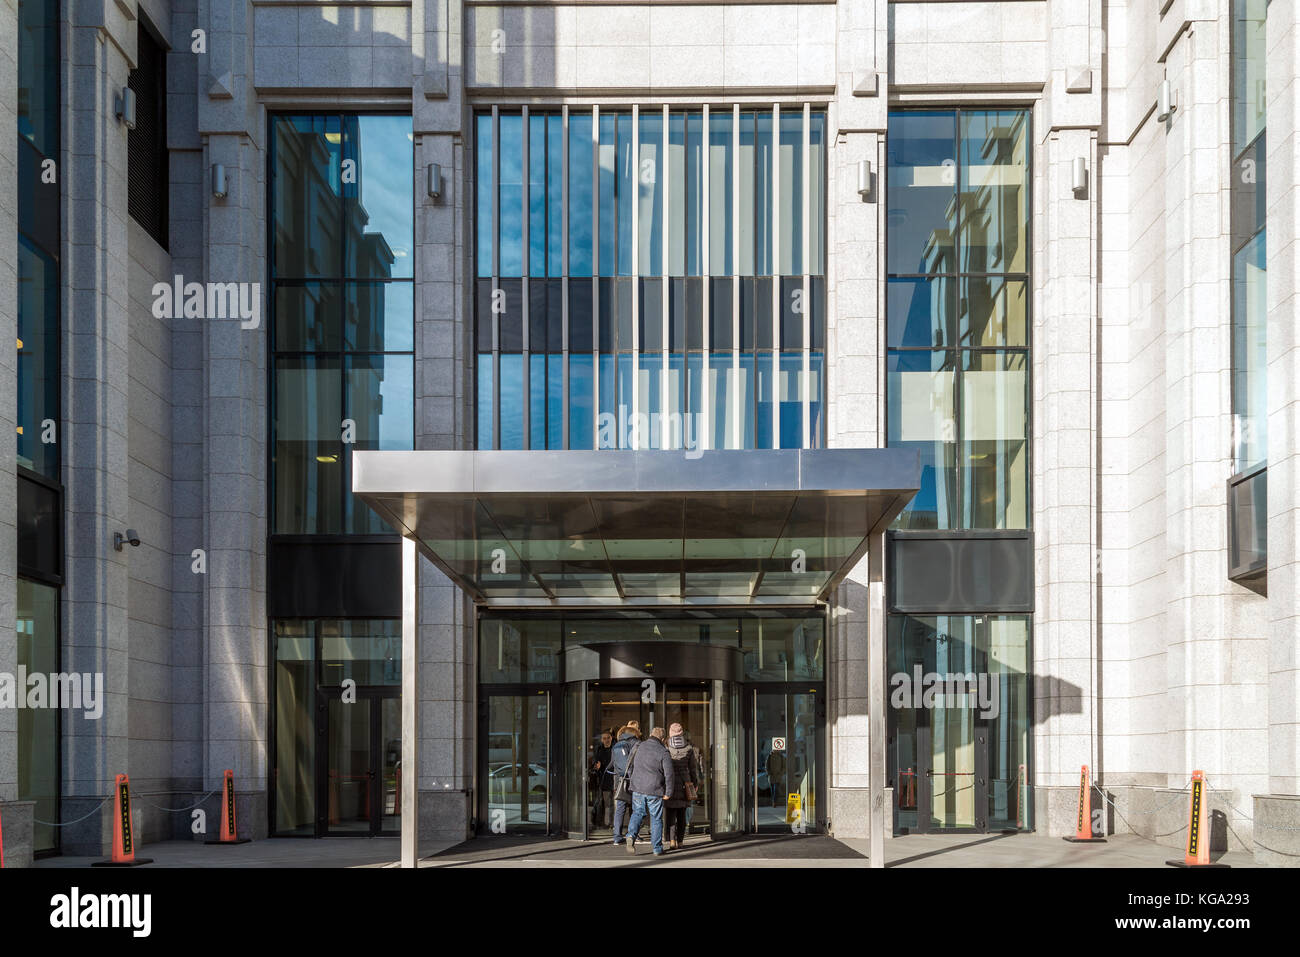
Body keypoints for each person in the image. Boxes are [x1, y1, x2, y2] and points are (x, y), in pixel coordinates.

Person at [623, 726, 675, 856]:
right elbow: (669, 774)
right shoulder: (663, 751)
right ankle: (657, 849)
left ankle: (630, 835)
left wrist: (633, 780)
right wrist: (668, 792)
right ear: (663, 739)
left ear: (651, 734)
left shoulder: (638, 746)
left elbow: (629, 766)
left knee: (637, 813)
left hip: (638, 787)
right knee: (656, 819)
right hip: (654, 789)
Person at [664, 722, 701, 849]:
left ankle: (672, 841)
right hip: (685, 784)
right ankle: (680, 841)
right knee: (682, 815)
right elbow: (692, 769)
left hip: (670, 783)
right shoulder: (689, 748)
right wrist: (695, 784)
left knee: (671, 814)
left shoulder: (666, 748)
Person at [607, 721, 641, 845]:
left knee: (620, 809)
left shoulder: (617, 745)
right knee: (636, 808)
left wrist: (615, 783)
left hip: (620, 781)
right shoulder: (635, 743)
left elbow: (613, 764)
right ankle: (633, 835)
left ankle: (617, 836)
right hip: (634, 780)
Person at [590, 730, 614, 828]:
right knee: (601, 802)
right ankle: (599, 823)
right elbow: (595, 762)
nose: (606, 740)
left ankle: (612, 823)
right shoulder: (599, 749)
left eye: (608, 738)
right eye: (604, 738)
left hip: (612, 778)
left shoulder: (614, 749)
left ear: (611, 738)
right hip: (602, 779)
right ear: (601, 740)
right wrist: (597, 766)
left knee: (613, 803)